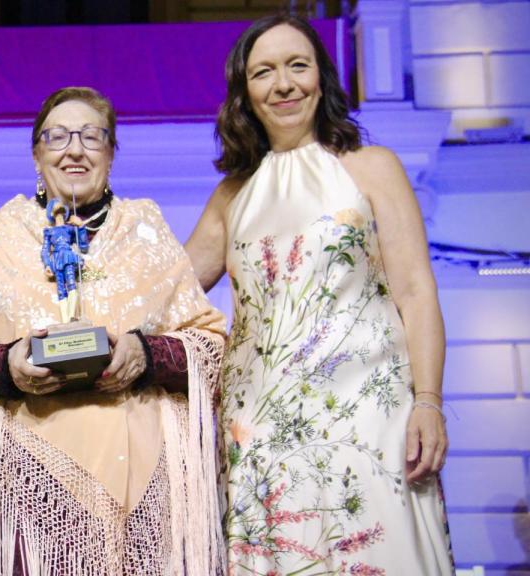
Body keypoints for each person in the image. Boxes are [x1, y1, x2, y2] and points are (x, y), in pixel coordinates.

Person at [184, 14, 454, 574]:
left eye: (297, 66)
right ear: (245, 92)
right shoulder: (232, 196)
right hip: (260, 430)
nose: (283, 84)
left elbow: (416, 291)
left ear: (321, 78)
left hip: (369, 421)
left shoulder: (373, 168)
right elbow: (171, 291)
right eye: (264, 72)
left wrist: (428, 401)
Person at [0, 86, 228, 575]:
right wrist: (8, 367)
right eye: (58, 136)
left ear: (111, 153)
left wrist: (144, 355)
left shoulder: (146, 229)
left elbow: (209, 344)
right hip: (23, 489)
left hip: (143, 479)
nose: (75, 149)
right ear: (36, 153)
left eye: (92, 136)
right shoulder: (2, 232)